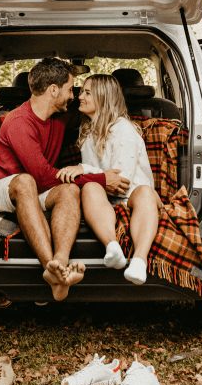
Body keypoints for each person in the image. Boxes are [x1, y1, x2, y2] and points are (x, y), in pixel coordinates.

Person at [0, 58, 130, 301]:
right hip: (1, 188)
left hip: (36, 188)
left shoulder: (61, 116)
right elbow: (43, 177)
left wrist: (131, 127)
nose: (74, 96)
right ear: (53, 90)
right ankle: (50, 268)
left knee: (69, 190)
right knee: (26, 180)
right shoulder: (18, 122)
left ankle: (60, 263)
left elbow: (99, 113)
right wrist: (101, 179)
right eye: (70, 89)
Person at [55, 74, 162, 285]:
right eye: (81, 92)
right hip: (106, 197)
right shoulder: (88, 130)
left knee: (145, 193)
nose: (80, 97)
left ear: (103, 97)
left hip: (132, 194)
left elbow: (121, 182)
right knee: (89, 188)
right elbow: (101, 181)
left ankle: (139, 261)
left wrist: (83, 168)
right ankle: (112, 247)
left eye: (87, 93)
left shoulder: (123, 128)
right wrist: (87, 175)